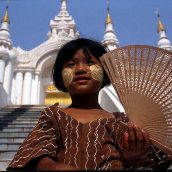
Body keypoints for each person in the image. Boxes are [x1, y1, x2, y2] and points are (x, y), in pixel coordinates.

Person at [7, 38, 172, 170]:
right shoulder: (53, 115)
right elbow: (37, 152)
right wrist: (53, 166)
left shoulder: (122, 121)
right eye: (70, 64)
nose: (80, 69)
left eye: (90, 62)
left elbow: (152, 162)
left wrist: (133, 155)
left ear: (106, 72)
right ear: (60, 77)